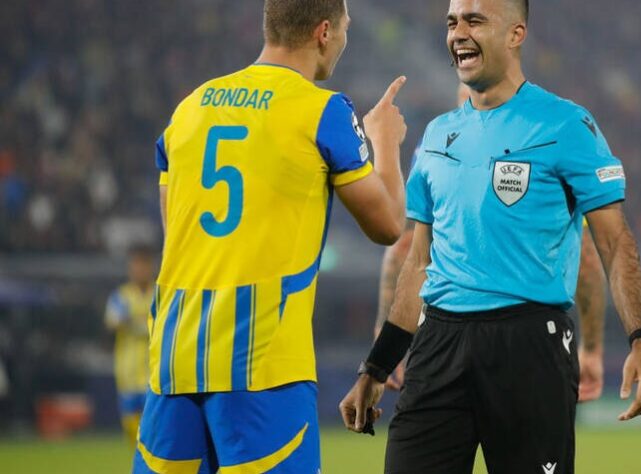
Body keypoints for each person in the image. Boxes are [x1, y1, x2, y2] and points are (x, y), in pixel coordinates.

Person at [340, 1, 641, 473]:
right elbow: (418, 263)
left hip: (529, 345)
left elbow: (613, 245)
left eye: (475, 20)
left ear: (515, 34)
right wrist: (376, 366)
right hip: (438, 345)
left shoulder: (566, 125)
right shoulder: (437, 136)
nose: (458, 33)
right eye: (452, 22)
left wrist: (640, 340)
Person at [134, 0, 408, 472]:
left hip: (175, 361)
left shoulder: (190, 108)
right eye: (345, 29)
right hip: (263, 364)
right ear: (324, 31)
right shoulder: (321, 110)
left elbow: (173, 226)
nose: (344, 41)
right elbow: (387, 226)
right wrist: (383, 139)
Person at [375, 85, 608, 400]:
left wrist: (387, 336)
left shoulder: (437, 144)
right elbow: (587, 260)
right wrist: (591, 349)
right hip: (528, 335)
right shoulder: (543, 140)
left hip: (444, 337)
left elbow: (404, 248)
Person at [104, 244, 156, 445]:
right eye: (136, 265)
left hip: (154, 370)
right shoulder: (121, 296)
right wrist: (144, 321)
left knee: (152, 426)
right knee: (131, 429)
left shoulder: (159, 293)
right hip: (128, 371)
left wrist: (132, 320)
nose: (139, 270)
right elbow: (113, 321)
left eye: (143, 265)